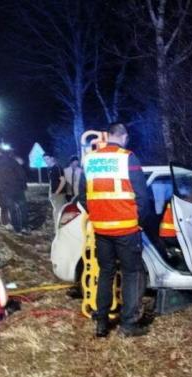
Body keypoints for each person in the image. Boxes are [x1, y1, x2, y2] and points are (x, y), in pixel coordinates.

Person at [78, 122, 149, 338]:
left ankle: (101, 323)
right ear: (124, 136)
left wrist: (100, 216)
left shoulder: (89, 159)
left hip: (101, 230)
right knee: (131, 274)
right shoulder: (127, 158)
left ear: (106, 135)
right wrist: (139, 221)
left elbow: (83, 195)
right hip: (126, 229)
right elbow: (142, 197)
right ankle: (128, 325)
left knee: (106, 273)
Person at [45, 154, 67, 227]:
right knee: (56, 211)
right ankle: (58, 228)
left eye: (47, 159)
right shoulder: (50, 169)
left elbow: (63, 181)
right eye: (44, 159)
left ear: (52, 158)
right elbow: (51, 182)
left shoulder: (57, 167)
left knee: (58, 212)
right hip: (54, 194)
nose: (46, 161)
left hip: (59, 194)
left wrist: (57, 192)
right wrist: (50, 193)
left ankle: (59, 229)